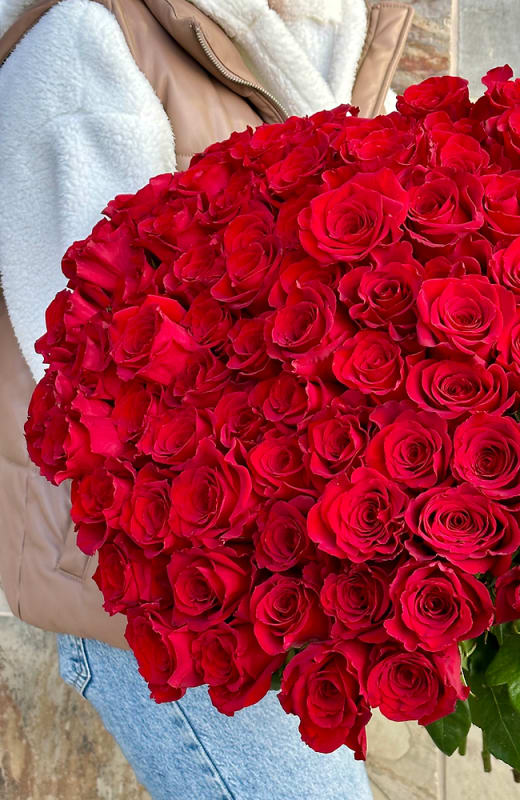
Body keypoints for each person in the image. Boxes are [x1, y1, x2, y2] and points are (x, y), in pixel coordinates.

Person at [0, 1, 412, 797]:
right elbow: (100, 363)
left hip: (289, 564)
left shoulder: (336, 23)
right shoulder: (92, 40)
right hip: (154, 586)